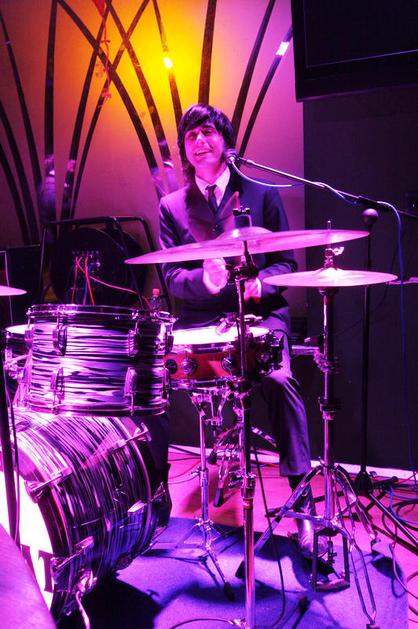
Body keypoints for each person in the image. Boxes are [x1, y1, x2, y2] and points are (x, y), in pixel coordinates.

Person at [158, 103, 323, 558]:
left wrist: (259, 283)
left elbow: (287, 262)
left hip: (260, 317)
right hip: (201, 320)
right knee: (151, 382)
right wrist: (205, 280)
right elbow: (171, 277)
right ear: (184, 149)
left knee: (280, 381)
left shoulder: (262, 193)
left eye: (207, 132)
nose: (199, 141)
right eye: (191, 136)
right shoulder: (171, 207)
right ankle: (154, 501)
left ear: (225, 141)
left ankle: (302, 505)